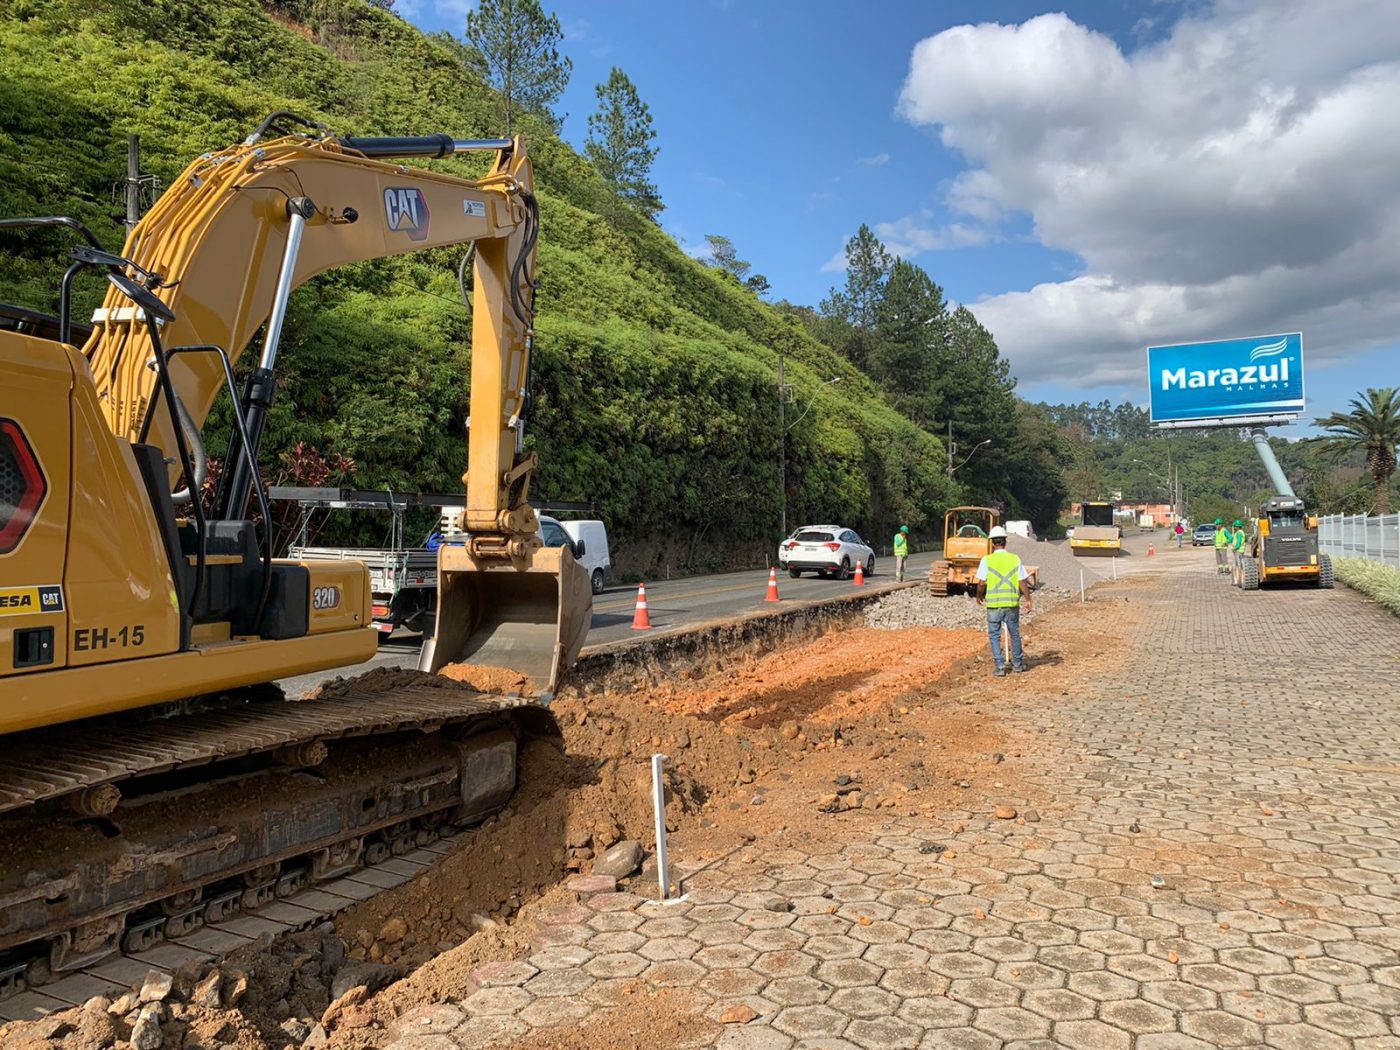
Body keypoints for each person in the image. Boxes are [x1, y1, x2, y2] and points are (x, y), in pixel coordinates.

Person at [975, 526, 1033, 677]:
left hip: (994, 605)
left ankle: (1000, 667)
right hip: (1012, 604)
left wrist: (979, 596)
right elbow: (1022, 581)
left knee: (994, 635)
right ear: (1005, 542)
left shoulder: (987, 560)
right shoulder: (1014, 559)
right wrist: (1028, 599)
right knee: (1014, 634)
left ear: (992, 543)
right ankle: (1018, 665)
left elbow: (981, 583)